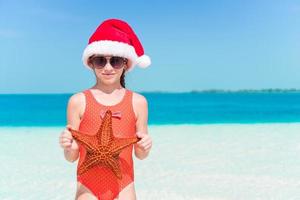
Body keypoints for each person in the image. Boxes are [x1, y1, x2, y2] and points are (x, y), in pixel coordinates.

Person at [58, 18, 153, 200]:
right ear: (91, 63)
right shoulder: (78, 101)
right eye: (100, 61)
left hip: (124, 186)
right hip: (88, 188)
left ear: (126, 63)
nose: (108, 67)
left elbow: (140, 154)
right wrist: (67, 146)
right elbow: (72, 157)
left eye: (116, 61)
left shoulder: (138, 102)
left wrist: (145, 146)